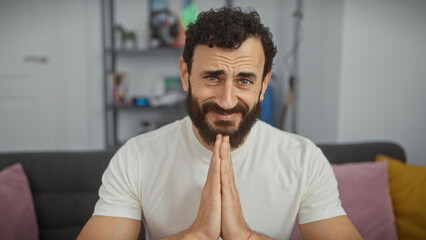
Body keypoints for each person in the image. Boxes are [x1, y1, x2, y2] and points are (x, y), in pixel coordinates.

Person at [78, 7, 363, 240]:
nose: (227, 101)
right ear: (185, 74)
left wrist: (243, 236)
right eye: (213, 77)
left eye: (245, 80)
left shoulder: (304, 159)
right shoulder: (136, 156)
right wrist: (197, 235)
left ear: (264, 83)